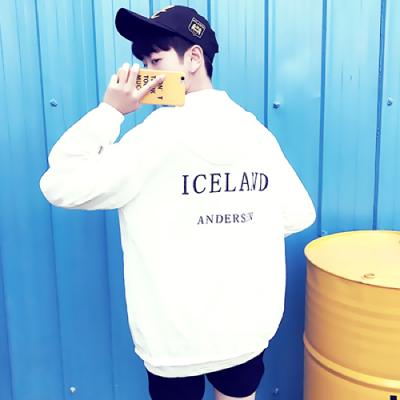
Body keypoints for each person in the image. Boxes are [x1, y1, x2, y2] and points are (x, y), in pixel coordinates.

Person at [39, 5, 316, 400]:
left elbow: (60, 183)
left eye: (156, 61)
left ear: (194, 58)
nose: (146, 74)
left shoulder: (153, 138)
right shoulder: (255, 134)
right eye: (144, 63)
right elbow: (298, 213)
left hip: (176, 338)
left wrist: (110, 111)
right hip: (245, 327)